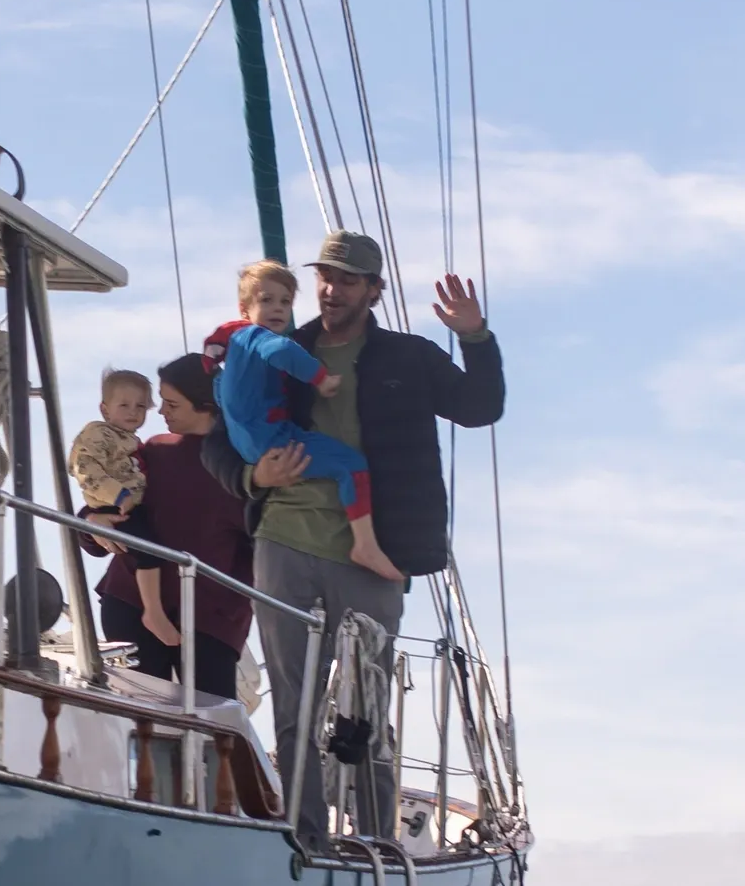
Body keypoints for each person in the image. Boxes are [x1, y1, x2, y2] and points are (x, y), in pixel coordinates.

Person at [202, 229, 504, 841]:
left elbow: (480, 406)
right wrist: (252, 475)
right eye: (324, 277)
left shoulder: (409, 357)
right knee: (294, 705)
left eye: (345, 280)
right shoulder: (281, 346)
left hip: (374, 553)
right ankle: (303, 838)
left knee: (367, 705)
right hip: (284, 539)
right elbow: (215, 436)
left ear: (373, 289)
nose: (330, 290)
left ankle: (376, 843)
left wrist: (474, 336)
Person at [206, 258, 402, 584]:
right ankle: (365, 545)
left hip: (253, 442)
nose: (277, 308)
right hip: (274, 442)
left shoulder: (231, 351)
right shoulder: (255, 337)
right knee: (352, 466)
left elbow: (221, 394)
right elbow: (282, 350)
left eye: (285, 301)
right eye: (266, 300)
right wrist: (320, 377)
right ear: (245, 309)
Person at [91, 354, 253, 701]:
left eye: (172, 404)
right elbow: (109, 495)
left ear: (205, 405)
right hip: (130, 604)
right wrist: (91, 522)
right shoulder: (154, 450)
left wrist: (226, 615)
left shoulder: (243, 467)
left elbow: (260, 550)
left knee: (213, 732)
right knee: (139, 727)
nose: (160, 412)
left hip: (210, 622)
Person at [69, 369, 153, 521]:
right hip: (112, 507)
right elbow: (86, 468)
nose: (133, 412)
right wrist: (118, 495)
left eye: (140, 406)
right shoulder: (99, 434)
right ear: (105, 411)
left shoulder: (133, 442)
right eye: (124, 405)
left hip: (136, 506)